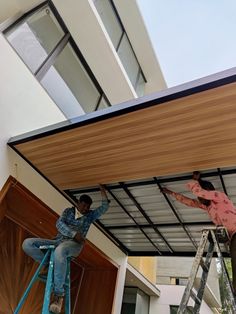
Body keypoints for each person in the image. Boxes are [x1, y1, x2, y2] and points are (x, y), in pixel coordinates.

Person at [22, 184, 110, 314]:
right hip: (58, 241)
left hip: (74, 245)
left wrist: (103, 192)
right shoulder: (68, 211)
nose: (86, 209)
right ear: (78, 203)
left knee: (60, 251)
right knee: (27, 243)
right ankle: (49, 265)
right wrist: (74, 234)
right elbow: (59, 224)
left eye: (88, 207)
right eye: (84, 205)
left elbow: (104, 208)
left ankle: (59, 296)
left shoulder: (89, 216)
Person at [161, 171, 236, 294]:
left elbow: (201, 193)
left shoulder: (220, 197)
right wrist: (171, 193)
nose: (200, 199)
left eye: (202, 197)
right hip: (232, 237)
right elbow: (189, 202)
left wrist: (196, 181)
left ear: (209, 192)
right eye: (199, 199)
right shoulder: (207, 206)